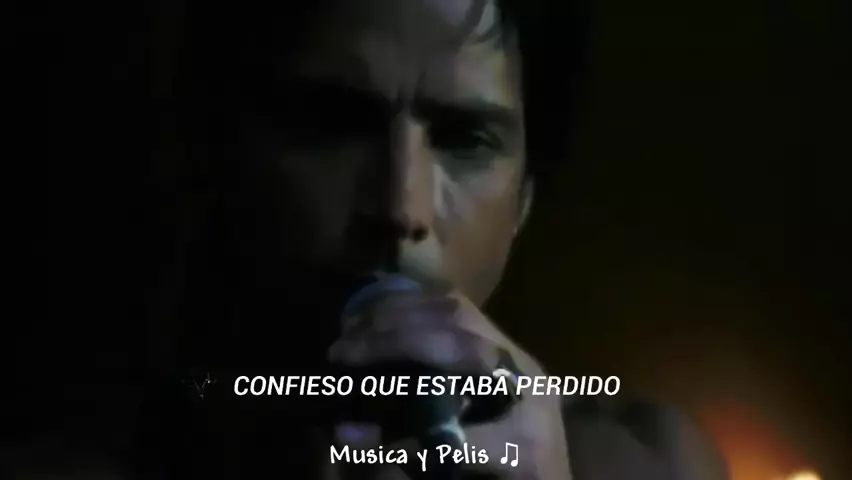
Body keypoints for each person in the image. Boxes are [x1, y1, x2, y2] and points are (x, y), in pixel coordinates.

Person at [27, 0, 729, 479]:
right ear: (217, 154)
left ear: (524, 199)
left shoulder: (652, 464)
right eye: (334, 123)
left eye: (464, 138)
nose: (399, 208)